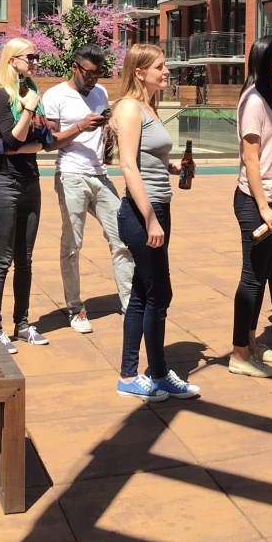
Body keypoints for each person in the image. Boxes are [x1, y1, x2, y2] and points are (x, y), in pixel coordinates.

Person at [108, 43, 201, 402]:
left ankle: (130, 375)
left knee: (144, 295)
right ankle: (158, 374)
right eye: (160, 67)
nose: (167, 72)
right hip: (141, 212)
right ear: (139, 72)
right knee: (159, 295)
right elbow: (128, 166)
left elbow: (147, 160)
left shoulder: (149, 106)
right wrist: (149, 218)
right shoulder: (130, 107)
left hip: (157, 207)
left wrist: (172, 166)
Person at [40, 45, 129, 333]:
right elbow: (49, 143)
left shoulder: (101, 93)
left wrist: (107, 133)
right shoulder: (54, 95)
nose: (93, 79)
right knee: (73, 245)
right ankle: (75, 308)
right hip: (71, 175)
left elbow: (104, 132)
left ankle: (130, 303)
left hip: (100, 175)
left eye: (98, 74)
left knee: (123, 238)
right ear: (75, 67)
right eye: (89, 73)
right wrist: (80, 126)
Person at [229, 37, 272, 376]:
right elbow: (251, 159)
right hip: (254, 203)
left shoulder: (271, 100)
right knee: (252, 279)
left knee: (264, 274)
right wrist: (264, 207)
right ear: (267, 60)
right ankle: (240, 354)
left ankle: (252, 342)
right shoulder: (253, 100)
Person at [0, 38, 51, 355]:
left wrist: (27, 136)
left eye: (37, 57)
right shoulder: (0, 97)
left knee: (25, 261)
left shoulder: (30, 93)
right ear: (13, 61)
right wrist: (27, 110)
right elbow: (12, 142)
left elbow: (44, 140)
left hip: (31, 183)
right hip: (5, 185)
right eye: (30, 57)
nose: (36, 62)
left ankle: (22, 324)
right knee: (3, 259)